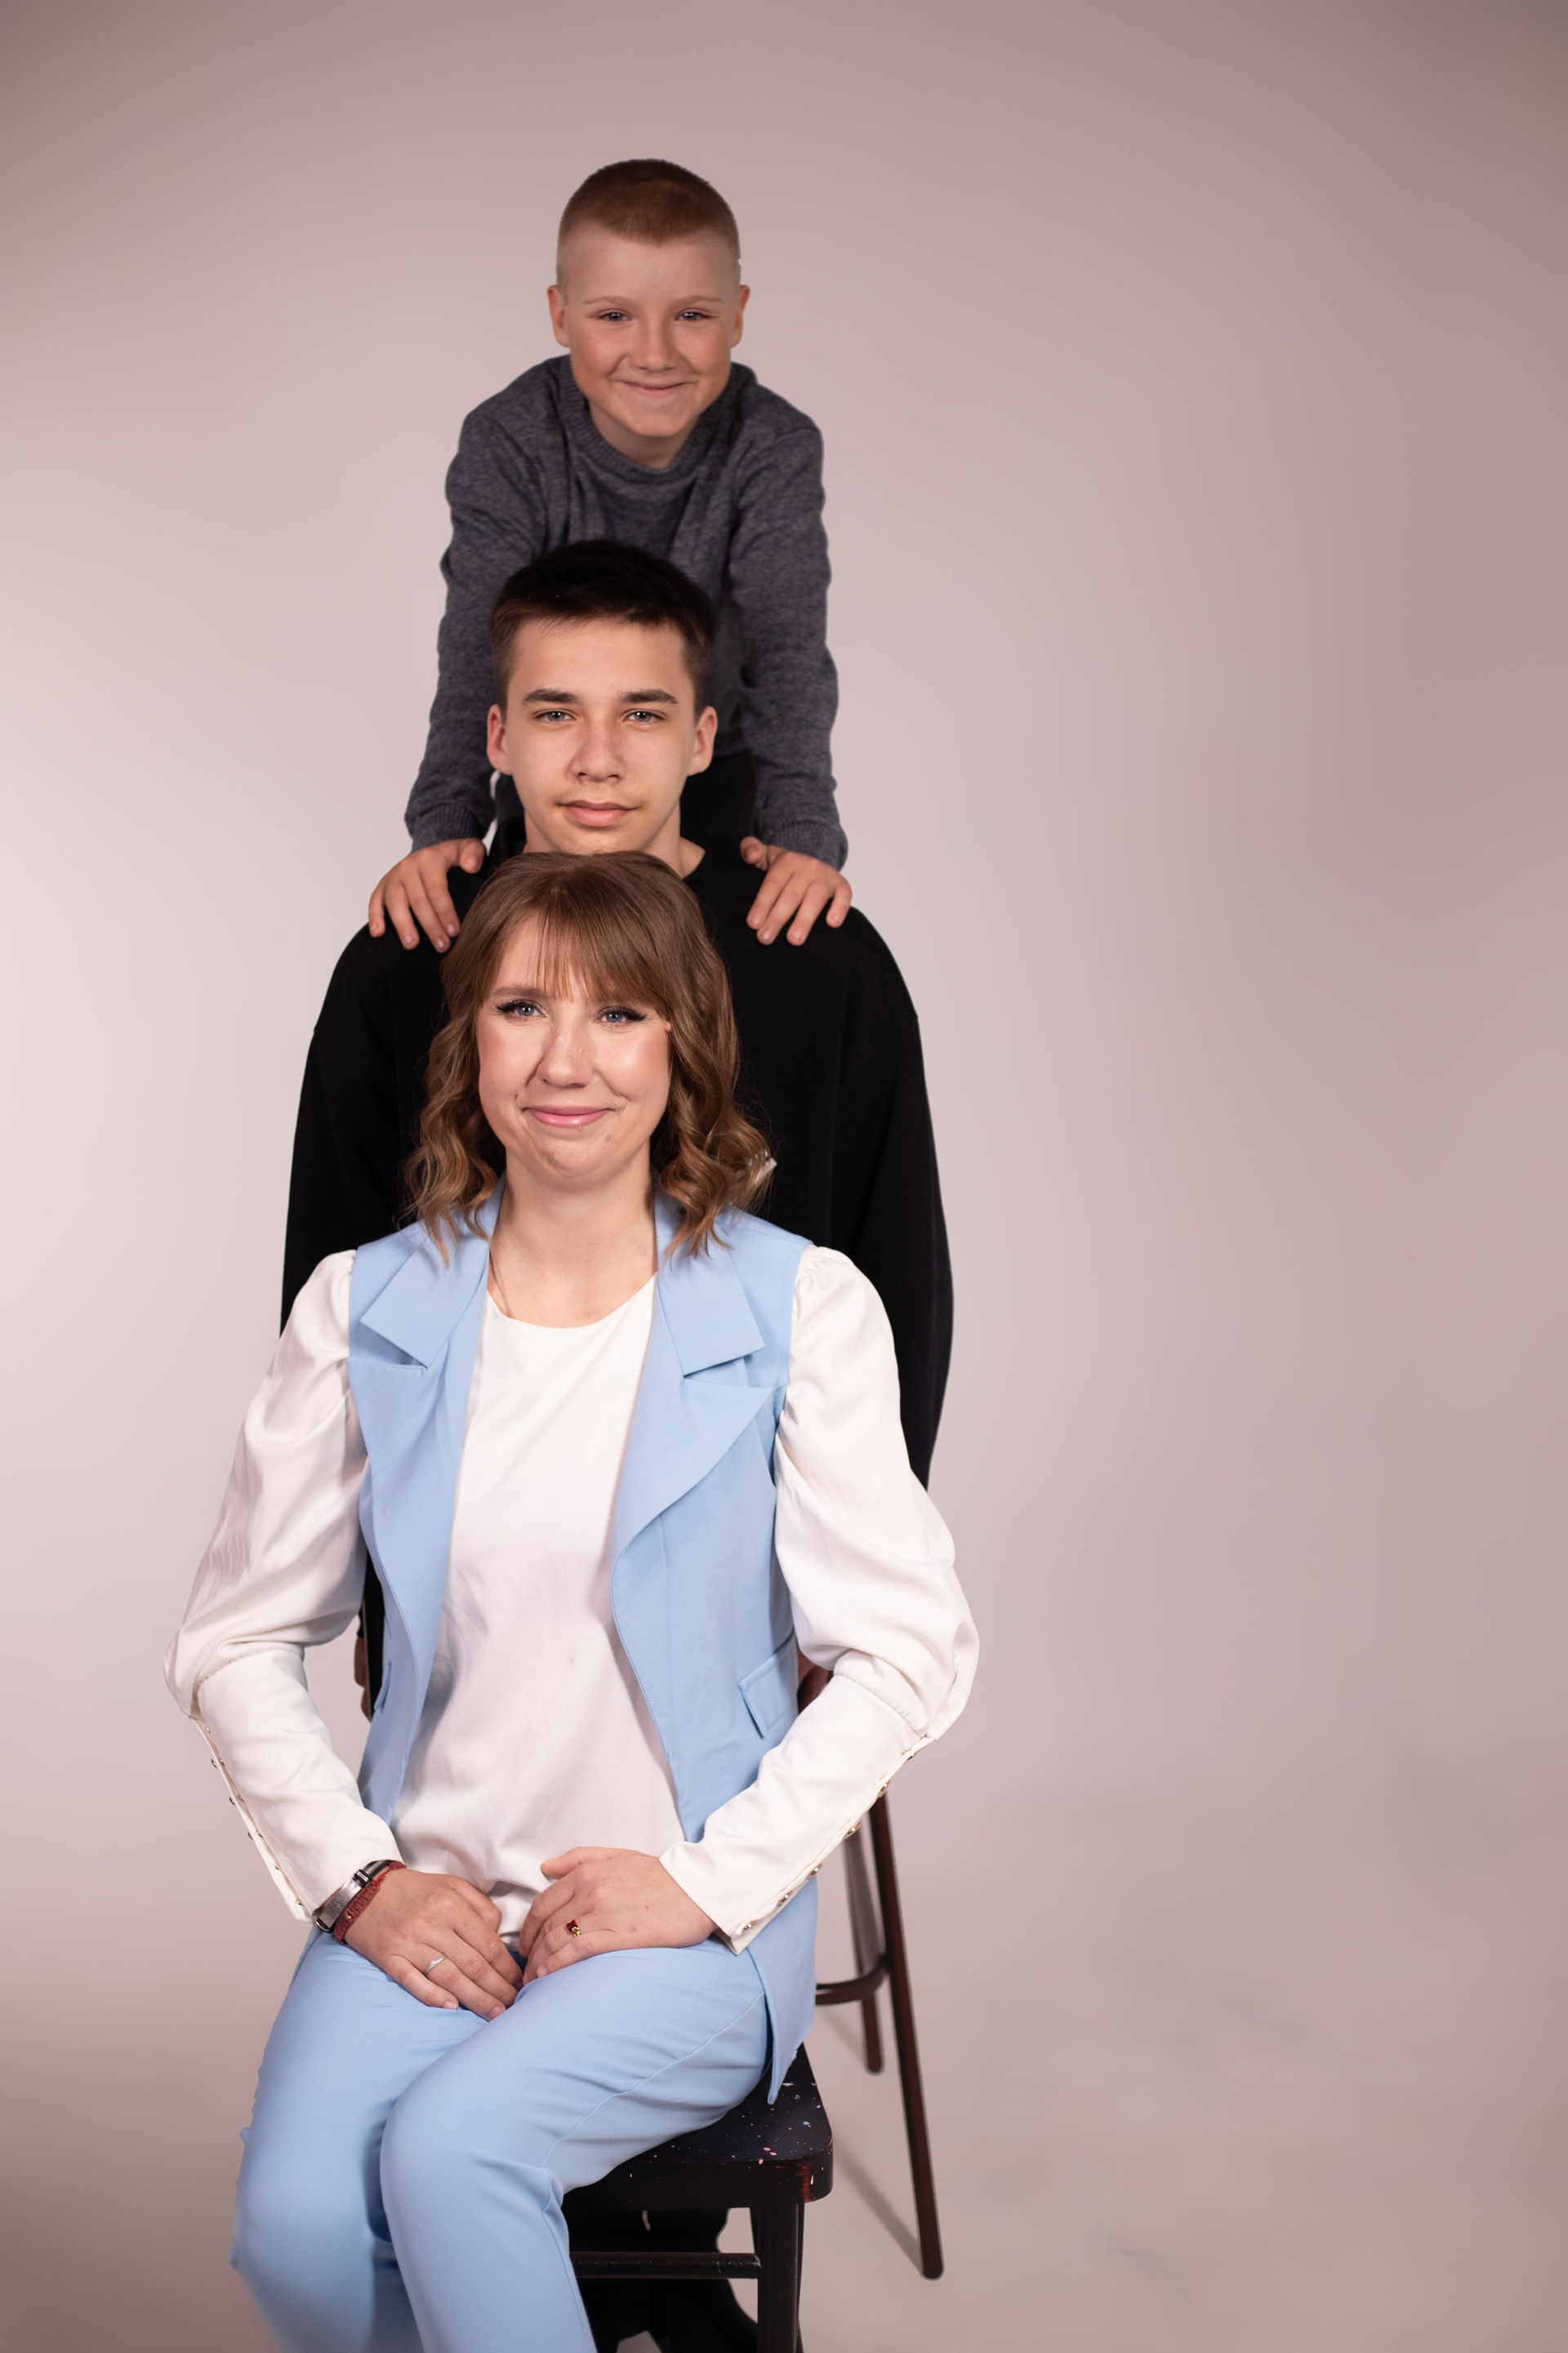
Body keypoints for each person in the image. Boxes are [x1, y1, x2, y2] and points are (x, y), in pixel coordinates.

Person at [167, 850, 977, 2353]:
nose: (564, 1059)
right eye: (522, 1007)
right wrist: (362, 1880)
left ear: (683, 1049)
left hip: (682, 1926)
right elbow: (232, 1640)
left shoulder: (801, 1306)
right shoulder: (364, 1305)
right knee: (294, 2231)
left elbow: (910, 1650)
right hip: (432, 1899)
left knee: (452, 2154)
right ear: (468, 1042)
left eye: (618, 1014)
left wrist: (709, 1884)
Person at [285, 541, 952, 1490]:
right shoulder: (407, 952)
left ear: (703, 738)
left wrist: (859, 1542)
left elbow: (899, 1285)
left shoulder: (818, 958)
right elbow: (332, 1273)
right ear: (497, 737)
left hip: (750, 1523)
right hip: (459, 1519)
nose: (598, 760)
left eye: (643, 713)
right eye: (555, 712)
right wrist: (363, 1556)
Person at [372, 155, 850, 963]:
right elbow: (477, 644)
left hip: (709, 759)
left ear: (738, 314)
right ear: (560, 316)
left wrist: (802, 837)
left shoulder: (772, 445)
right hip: (561, 758)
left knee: (724, 969)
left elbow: (787, 650)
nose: (655, 353)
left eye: (691, 315)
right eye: (614, 316)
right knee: (546, 961)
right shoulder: (511, 439)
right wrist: (447, 827)